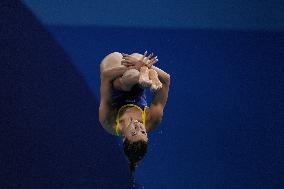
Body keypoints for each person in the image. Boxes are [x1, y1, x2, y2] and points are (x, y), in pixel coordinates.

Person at [99, 51, 170, 172]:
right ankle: (146, 74)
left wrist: (138, 67)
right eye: (143, 131)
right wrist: (142, 65)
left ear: (124, 138)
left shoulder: (109, 122)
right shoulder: (152, 120)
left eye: (134, 132)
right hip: (138, 82)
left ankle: (144, 74)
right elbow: (166, 79)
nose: (138, 126)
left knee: (123, 82)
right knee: (137, 61)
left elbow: (105, 76)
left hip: (115, 76)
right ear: (147, 136)